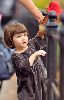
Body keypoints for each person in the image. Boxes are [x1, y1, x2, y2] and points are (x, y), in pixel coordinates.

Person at [4, 22, 47, 100]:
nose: (23, 38)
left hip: (39, 82)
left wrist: (41, 29)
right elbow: (24, 67)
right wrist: (34, 55)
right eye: (19, 36)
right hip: (28, 88)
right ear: (11, 40)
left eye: (25, 35)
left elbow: (39, 37)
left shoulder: (31, 44)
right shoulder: (16, 56)